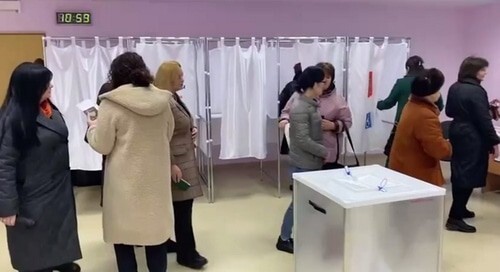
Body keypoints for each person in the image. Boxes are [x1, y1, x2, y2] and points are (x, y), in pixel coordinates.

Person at [86, 52, 175, 271]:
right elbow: (168, 133)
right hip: (155, 183)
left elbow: (102, 145)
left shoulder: (111, 104)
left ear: (115, 75)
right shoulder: (163, 100)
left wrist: (91, 128)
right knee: (156, 240)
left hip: (123, 185)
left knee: (123, 241)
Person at [0, 62, 82, 272]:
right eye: (46, 84)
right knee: (35, 254)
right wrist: (7, 207)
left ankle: (61, 261)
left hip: (57, 192)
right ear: (31, 88)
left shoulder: (47, 108)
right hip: (33, 196)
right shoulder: (13, 119)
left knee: (58, 240)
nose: (51, 87)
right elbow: (4, 166)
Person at [154, 61, 208, 269]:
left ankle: (171, 244)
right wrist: (171, 164)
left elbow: (180, 124)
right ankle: (187, 254)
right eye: (180, 76)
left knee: (179, 208)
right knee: (183, 210)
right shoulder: (163, 101)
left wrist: (190, 130)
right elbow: (160, 137)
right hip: (177, 162)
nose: (183, 79)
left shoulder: (172, 98)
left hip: (183, 157)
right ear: (170, 78)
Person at [276, 66, 328, 254]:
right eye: (322, 82)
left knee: (306, 202)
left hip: (310, 161)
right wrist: (324, 151)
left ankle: (302, 234)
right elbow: (302, 140)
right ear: (314, 84)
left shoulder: (309, 102)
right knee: (298, 203)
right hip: (304, 162)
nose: (325, 85)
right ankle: (283, 238)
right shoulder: (300, 107)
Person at [445, 56, 500, 233]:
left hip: (458, 131)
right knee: (468, 174)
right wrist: (494, 140)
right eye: (483, 69)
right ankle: (454, 217)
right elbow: (483, 120)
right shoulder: (477, 91)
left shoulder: (455, 87)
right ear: (473, 71)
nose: (485, 72)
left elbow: (449, 110)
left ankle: (460, 209)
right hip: (472, 135)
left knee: (460, 171)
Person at [279, 62, 352, 170]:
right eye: (322, 77)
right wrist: (285, 121)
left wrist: (334, 125)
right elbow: (287, 112)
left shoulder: (338, 99)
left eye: (328, 77)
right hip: (308, 153)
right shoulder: (300, 98)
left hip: (328, 149)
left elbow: (348, 122)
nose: (325, 81)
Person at [377, 56, 444, 166]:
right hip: (425, 124)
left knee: (395, 155)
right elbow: (440, 105)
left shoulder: (402, 83)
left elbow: (389, 103)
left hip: (402, 123)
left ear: (408, 68)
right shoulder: (429, 82)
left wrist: (376, 103)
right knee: (421, 156)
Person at [389, 68, 451, 186]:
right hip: (418, 177)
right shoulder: (425, 115)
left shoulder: (411, 105)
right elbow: (438, 150)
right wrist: (450, 145)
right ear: (431, 93)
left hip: (404, 169)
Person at [278, 62, 302, 155]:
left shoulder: (290, 85)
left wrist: (282, 117)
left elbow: (281, 101)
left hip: (291, 120)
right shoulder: (312, 86)